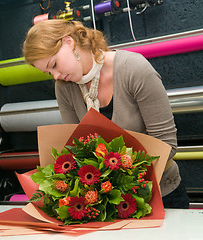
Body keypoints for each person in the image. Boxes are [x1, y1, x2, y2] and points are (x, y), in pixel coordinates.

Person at [22, 19, 189, 209]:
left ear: (69, 42)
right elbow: (75, 151)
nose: (55, 76)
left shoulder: (134, 69)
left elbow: (167, 145)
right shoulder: (64, 88)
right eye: (48, 73)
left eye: (54, 65)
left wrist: (112, 171)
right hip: (107, 202)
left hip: (162, 196)